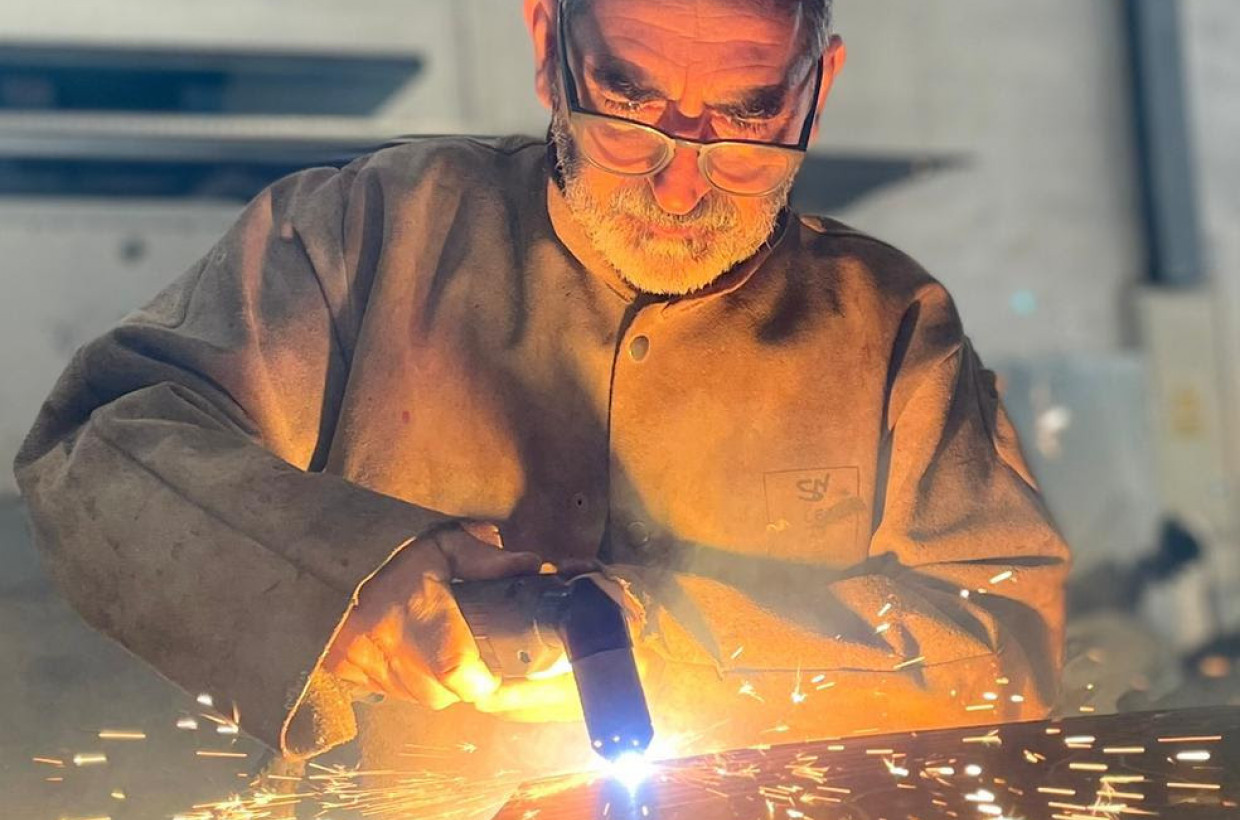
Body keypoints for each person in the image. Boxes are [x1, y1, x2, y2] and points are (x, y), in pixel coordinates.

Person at [14, 0, 1069, 791]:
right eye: (629, 108)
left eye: (745, 124)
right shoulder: (364, 236)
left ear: (818, 85)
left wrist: (652, 641)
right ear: (543, 42)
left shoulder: (886, 327)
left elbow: (1001, 647)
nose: (681, 181)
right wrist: (345, 569)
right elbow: (100, 447)